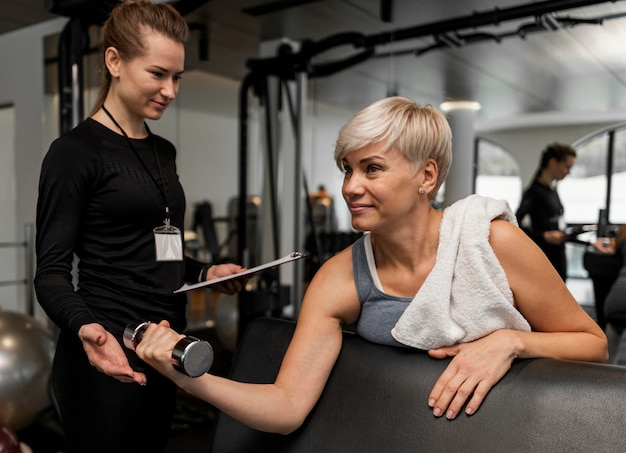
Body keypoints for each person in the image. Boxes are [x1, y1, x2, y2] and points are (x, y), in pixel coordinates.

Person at [134, 97, 607, 435]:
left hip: (507, 434)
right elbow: (286, 406)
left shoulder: (493, 242)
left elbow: (594, 344)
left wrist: (510, 342)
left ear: (426, 176)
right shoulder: (340, 277)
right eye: (347, 168)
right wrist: (187, 377)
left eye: (372, 169)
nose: (350, 187)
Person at [33, 1, 245, 452]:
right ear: (114, 61)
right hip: (104, 353)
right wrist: (88, 330)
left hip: (163, 347)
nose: (170, 90)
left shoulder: (161, 150)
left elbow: (154, 249)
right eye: (157, 74)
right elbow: (50, 273)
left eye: (177, 77)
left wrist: (205, 273)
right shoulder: (75, 152)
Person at [515, 143, 577, 281]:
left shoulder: (552, 189)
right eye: (567, 166)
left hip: (558, 253)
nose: (568, 172)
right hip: (543, 255)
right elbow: (515, 223)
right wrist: (544, 236)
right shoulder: (533, 192)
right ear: (553, 162)